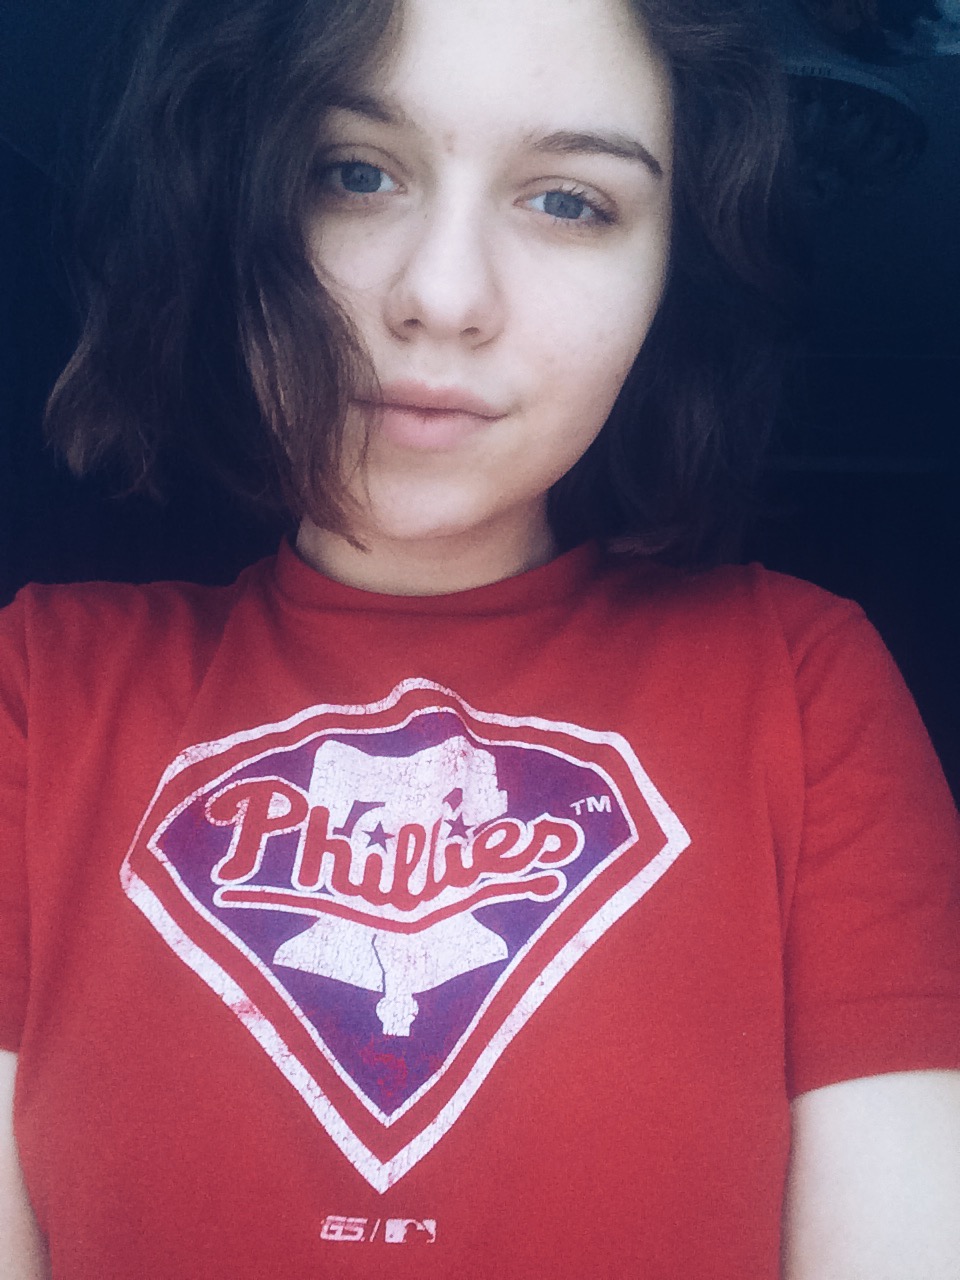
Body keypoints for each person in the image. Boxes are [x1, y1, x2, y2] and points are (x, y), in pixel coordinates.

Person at [1, 0, 959, 1275]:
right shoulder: (39, 686)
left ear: (667, 277)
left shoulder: (800, 677)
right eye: (354, 172)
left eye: (570, 201)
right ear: (233, 206)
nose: (442, 296)